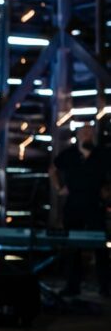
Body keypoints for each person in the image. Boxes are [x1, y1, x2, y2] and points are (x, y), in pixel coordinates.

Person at [50, 123, 110, 297]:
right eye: (84, 133)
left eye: (90, 132)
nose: (87, 135)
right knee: (73, 247)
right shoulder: (69, 155)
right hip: (74, 206)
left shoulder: (102, 154)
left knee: (100, 246)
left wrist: (107, 189)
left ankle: (105, 287)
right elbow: (52, 169)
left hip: (95, 205)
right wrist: (59, 188)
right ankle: (72, 286)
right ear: (78, 136)